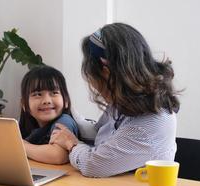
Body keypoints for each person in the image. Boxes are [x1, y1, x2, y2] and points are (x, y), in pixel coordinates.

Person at [49, 23, 180, 177]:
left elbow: (93, 165)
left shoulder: (149, 124)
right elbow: (100, 133)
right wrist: (68, 109)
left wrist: (72, 144)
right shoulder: (130, 100)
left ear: (105, 72)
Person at [19, 66, 79, 165]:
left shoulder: (64, 121)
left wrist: (20, 145)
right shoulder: (24, 124)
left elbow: (58, 156)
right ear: (24, 104)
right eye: (38, 94)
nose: (46, 101)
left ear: (66, 101)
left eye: (54, 93)